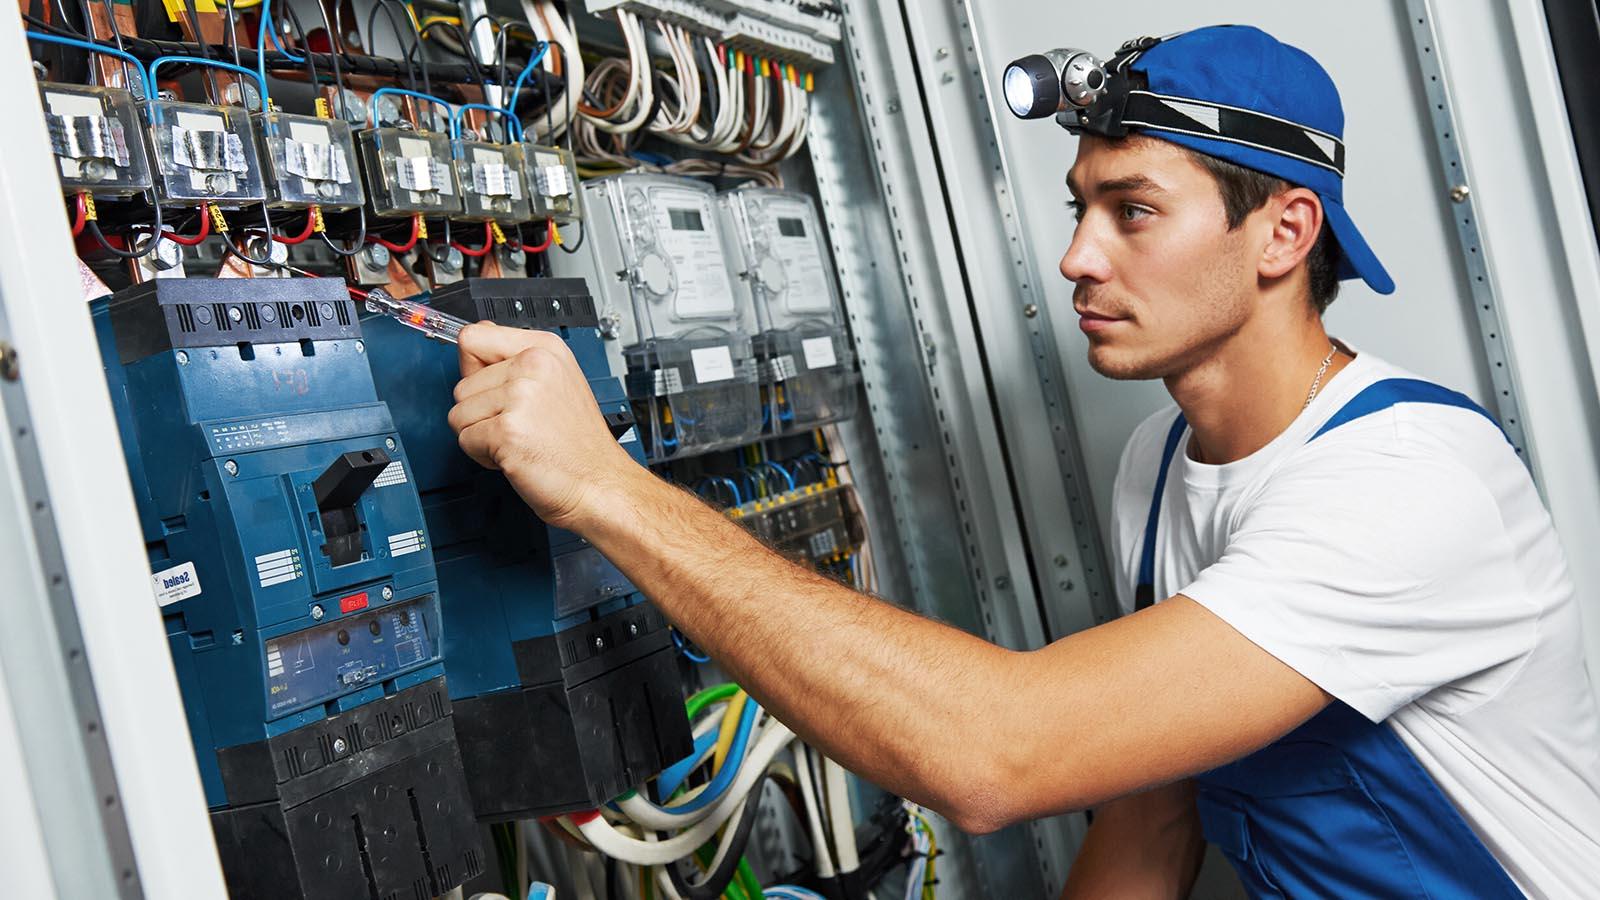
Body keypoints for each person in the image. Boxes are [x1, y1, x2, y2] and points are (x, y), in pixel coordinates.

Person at [446, 25, 1600, 899]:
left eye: (1132, 212)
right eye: (1078, 207)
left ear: (1285, 233)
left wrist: (604, 485)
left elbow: (995, 754)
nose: (1075, 258)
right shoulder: (1158, 467)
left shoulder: (1409, 481)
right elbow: (1155, 816)